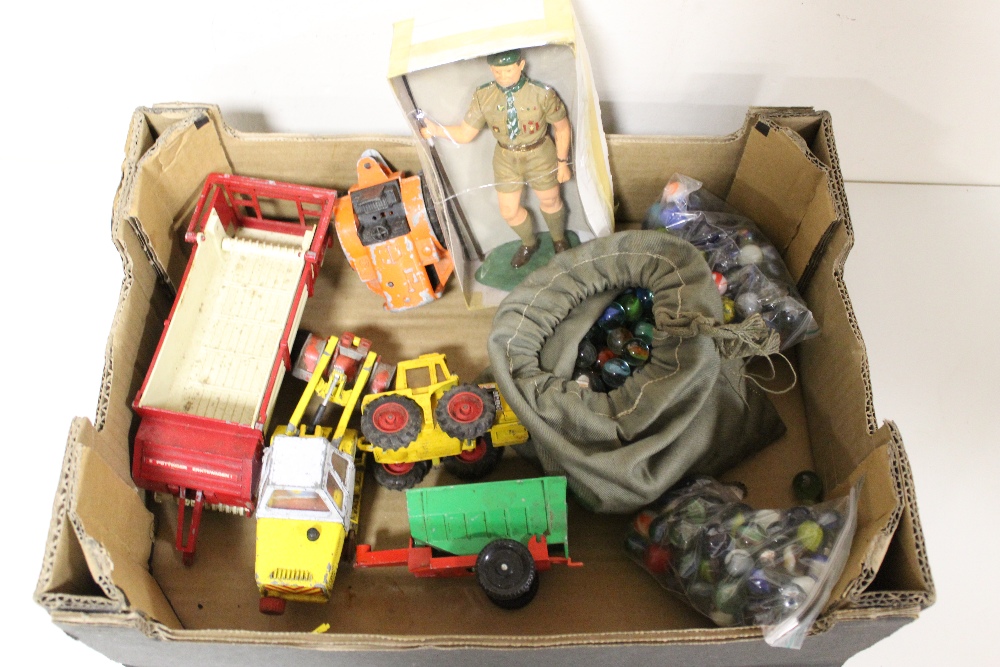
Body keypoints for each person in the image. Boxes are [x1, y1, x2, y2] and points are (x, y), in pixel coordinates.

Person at [421, 49, 573, 268]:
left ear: (521, 65)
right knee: (509, 211)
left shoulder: (541, 93)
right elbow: (466, 133)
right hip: (506, 157)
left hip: (540, 153)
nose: (503, 76)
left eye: (508, 70)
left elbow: (562, 128)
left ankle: (559, 240)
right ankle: (529, 242)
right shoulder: (484, 95)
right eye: (497, 71)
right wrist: (436, 130)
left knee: (550, 200)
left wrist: (562, 162)